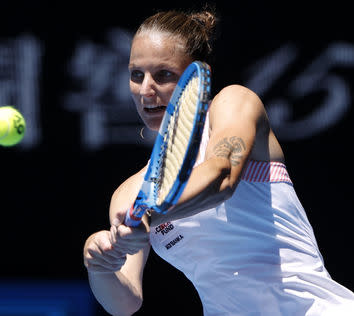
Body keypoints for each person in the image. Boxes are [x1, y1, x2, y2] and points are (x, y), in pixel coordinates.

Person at [83, 6, 354, 316]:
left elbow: (221, 177)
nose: (146, 90)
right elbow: (125, 303)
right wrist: (100, 265)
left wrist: (152, 213)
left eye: (163, 75)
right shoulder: (129, 193)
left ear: (196, 79)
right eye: (136, 74)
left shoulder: (234, 103)